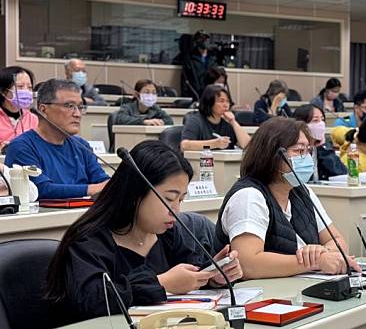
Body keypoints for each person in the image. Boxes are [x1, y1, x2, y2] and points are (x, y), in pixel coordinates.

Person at [45, 141, 243, 325]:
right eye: (168, 199)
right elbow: (93, 300)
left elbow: (188, 277)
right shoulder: (89, 239)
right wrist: (162, 283)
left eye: (180, 200)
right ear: (135, 193)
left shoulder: (168, 234)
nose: (175, 210)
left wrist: (212, 277)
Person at [214, 117, 360, 279]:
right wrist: (315, 261)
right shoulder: (248, 196)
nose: (306, 158)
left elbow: (338, 241)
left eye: (308, 151)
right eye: (299, 151)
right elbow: (247, 264)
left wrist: (325, 253)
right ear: (272, 155)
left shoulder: (302, 191)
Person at [5, 79, 110, 199]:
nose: (77, 114)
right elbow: (39, 189)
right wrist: (92, 189)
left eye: (80, 107)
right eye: (69, 106)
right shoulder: (22, 146)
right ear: (43, 109)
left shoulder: (82, 145)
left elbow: (102, 180)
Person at [181, 84, 250, 151]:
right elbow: (184, 146)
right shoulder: (195, 120)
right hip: (202, 161)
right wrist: (214, 144)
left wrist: (233, 122)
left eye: (227, 101)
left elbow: (248, 146)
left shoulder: (228, 122)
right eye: (221, 101)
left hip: (223, 162)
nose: (226, 105)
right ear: (209, 103)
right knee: (208, 163)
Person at [293, 104, 347, 180]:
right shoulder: (294, 149)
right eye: (315, 120)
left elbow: (341, 174)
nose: (321, 124)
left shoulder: (324, 147)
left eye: (322, 119)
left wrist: (323, 148)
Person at [0, 66, 39, 151]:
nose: (26, 91)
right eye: (20, 86)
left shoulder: (34, 119)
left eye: (29, 87)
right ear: (3, 92)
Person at [180, 30, 218, 101]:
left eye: (206, 39)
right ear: (196, 41)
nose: (204, 41)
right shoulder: (189, 58)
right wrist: (186, 98)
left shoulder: (213, 58)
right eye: (202, 39)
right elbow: (184, 80)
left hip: (210, 95)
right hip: (194, 95)